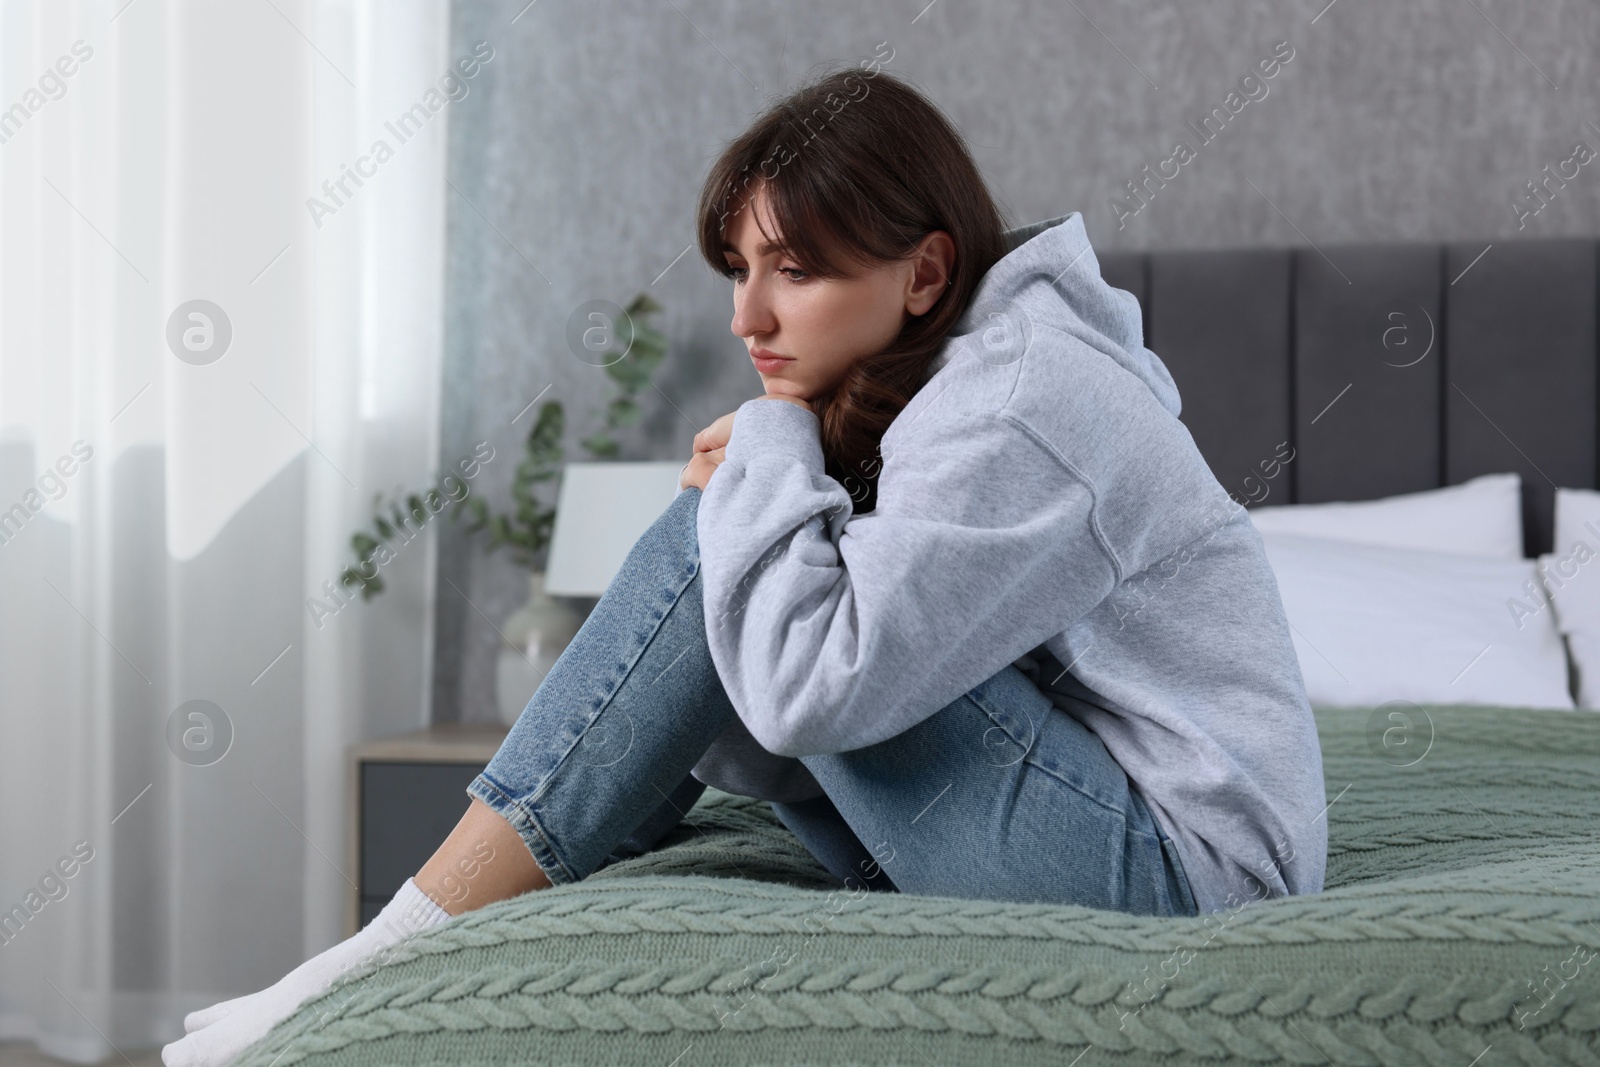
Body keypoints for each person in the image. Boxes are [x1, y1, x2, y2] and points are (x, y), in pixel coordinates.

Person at [163, 65, 1327, 1067]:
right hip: (1105, 823)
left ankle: (386, 947)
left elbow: (805, 688)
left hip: (1185, 878)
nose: (748, 318)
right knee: (728, 551)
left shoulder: (1018, 406)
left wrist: (766, 454)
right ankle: (541, 862)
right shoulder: (959, 383)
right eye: (737, 268)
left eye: (795, 273)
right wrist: (762, 501)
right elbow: (755, 684)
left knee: (715, 543)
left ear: (924, 274)